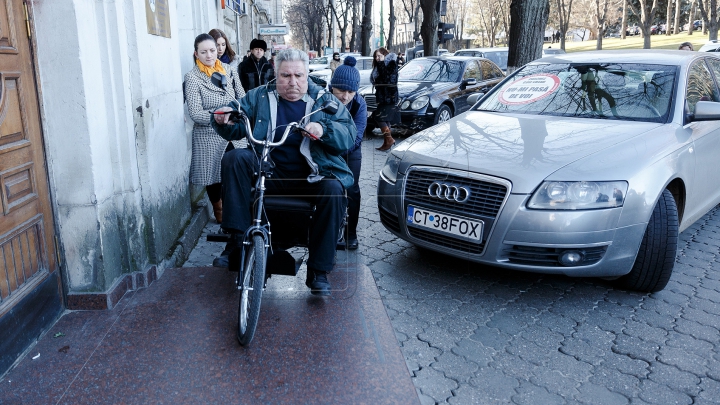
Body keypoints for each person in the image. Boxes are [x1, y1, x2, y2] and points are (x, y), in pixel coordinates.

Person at [211, 49, 356, 296]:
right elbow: (235, 120)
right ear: (275, 74)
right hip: (269, 171)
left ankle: (318, 272)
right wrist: (223, 117)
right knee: (235, 157)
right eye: (285, 75)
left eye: (298, 75)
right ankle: (236, 241)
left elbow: (349, 134)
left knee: (334, 190)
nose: (292, 82)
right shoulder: (259, 96)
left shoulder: (323, 100)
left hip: (311, 174)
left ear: (306, 74)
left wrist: (324, 129)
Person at [184, 33, 245, 224]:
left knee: (237, 168)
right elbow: (195, 112)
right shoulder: (193, 77)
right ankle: (219, 211)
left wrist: (241, 113)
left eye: (212, 50)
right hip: (209, 134)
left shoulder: (228, 70)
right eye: (203, 52)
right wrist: (220, 118)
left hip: (234, 130)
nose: (209, 55)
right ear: (196, 54)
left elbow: (242, 97)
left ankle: (237, 209)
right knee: (214, 176)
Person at [330, 56, 367, 251]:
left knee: (352, 188)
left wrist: (340, 149)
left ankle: (350, 234)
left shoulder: (360, 105)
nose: (345, 96)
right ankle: (329, 228)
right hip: (326, 149)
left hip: (350, 150)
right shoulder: (323, 99)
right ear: (332, 87)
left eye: (351, 91)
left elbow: (357, 137)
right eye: (341, 90)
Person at [371, 47, 400, 151]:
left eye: (379, 56)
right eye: (376, 56)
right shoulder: (380, 65)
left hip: (389, 96)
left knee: (379, 117)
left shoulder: (391, 63)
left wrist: (381, 64)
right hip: (383, 95)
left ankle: (389, 139)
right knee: (385, 118)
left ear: (385, 55)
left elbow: (387, 78)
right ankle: (387, 141)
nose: (377, 58)